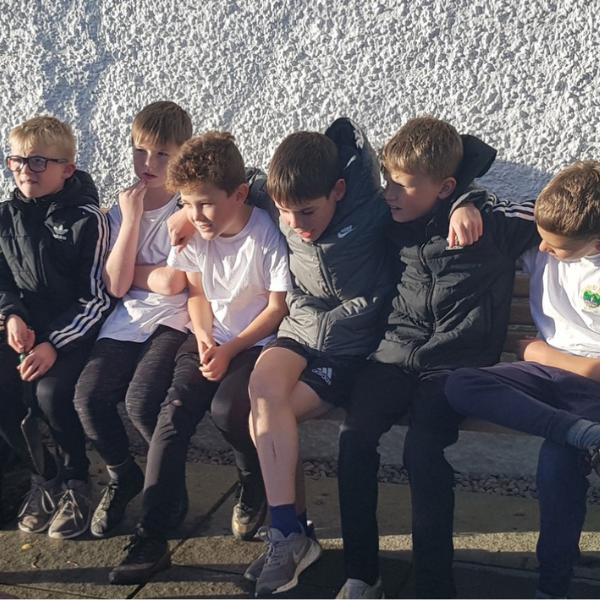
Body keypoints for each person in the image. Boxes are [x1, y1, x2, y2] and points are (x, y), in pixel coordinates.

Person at [245, 117, 483, 596]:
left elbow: (445, 182)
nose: (294, 223)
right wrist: (184, 213)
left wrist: (466, 199)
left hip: (352, 345)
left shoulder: (376, 211)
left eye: (306, 213)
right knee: (261, 392)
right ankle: (288, 533)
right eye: (284, 211)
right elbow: (232, 182)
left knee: (272, 420)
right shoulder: (283, 197)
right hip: (300, 327)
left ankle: (293, 532)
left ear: (337, 190)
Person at [335, 116, 540, 599]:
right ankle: (363, 574)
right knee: (353, 439)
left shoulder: (488, 226)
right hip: (392, 356)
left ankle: (433, 586)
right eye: (388, 180)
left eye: (403, 185)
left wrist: (472, 201)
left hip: (453, 366)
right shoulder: (392, 223)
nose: (390, 193)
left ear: (445, 185)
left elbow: (548, 213)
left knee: (422, 451)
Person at [108, 131, 292, 585]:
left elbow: (276, 308)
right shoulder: (194, 231)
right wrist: (208, 338)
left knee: (229, 410)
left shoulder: (264, 235)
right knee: (171, 414)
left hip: (255, 344)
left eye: (205, 204)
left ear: (239, 193)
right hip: (210, 337)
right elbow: (195, 292)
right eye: (186, 204)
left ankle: (251, 484)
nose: (194, 215)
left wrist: (230, 349)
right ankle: (152, 535)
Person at [445, 160, 600, 600]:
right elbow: (489, 204)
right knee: (461, 385)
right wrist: (464, 205)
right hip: (540, 377)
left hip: (590, 385)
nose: (543, 252)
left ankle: (552, 588)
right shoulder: (544, 229)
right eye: (542, 242)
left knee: (557, 465)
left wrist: (542, 351)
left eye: (558, 249)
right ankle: (583, 436)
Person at [73, 101, 193, 539]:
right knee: (89, 397)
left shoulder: (189, 205)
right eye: (140, 151)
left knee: (143, 402)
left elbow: (176, 283)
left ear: (183, 153)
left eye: (162, 154)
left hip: (174, 321)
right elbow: (118, 286)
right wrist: (133, 220)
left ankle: (169, 492)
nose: (148, 163)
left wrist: (148, 277)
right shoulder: (123, 207)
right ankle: (124, 477)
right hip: (127, 319)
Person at [0, 115, 112, 539]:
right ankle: (42, 478)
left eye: (38, 162)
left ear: (67, 168)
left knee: (49, 392)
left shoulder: (88, 220)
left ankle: (76, 481)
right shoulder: (5, 216)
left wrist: (50, 343)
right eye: (16, 160)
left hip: (75, 333)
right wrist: (12, 317)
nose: (25, 170)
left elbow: (97, 297)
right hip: (23, 329)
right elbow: (3, 281)